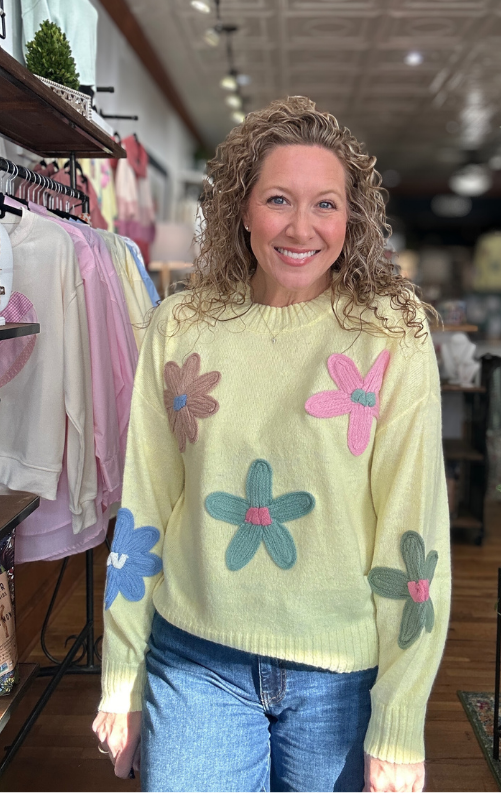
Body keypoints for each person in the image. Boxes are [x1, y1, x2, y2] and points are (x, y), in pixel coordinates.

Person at [92, 96, 450, 793]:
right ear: (243, 210)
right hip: (194, 659)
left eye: (326, 204)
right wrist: (120, 676)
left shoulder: (389, 330)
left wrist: (400, 718)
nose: (301, 227)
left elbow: (414, 527)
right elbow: (144, 506)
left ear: (353, 218)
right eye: (279, 199)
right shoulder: (181, 325)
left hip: (341, 678)